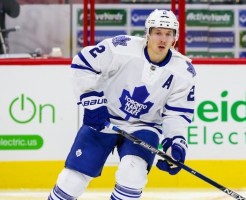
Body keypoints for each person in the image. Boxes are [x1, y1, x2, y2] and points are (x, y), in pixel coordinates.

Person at [48, 9, 196, 200]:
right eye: (158, 32)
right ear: (148, 33)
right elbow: (83, 64)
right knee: (72, 179)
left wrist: (174, 143)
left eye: (168, 34)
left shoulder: (183, 71)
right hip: (105, 118)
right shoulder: (121, 47)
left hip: (144, 126)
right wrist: (92, 101)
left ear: (175, 38)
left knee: (132, 174)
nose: (163, 39)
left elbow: (177, 114)